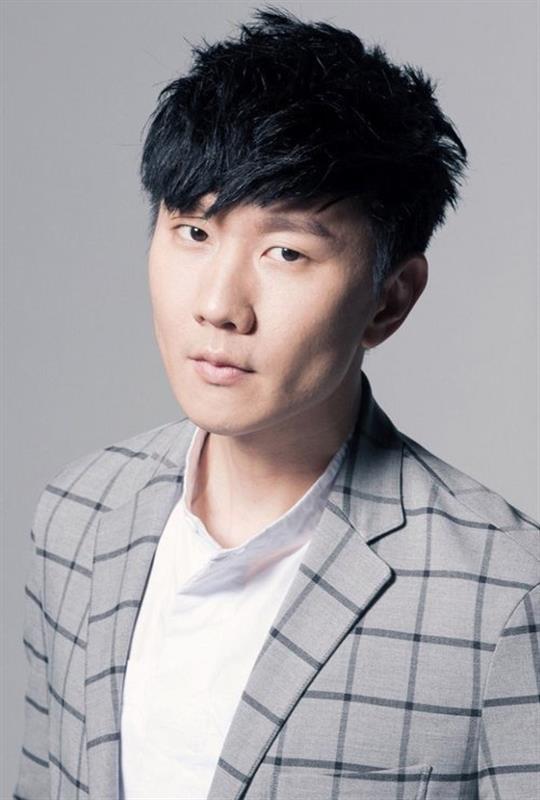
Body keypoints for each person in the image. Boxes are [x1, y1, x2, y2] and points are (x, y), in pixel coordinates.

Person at [14, 6, 539, 800]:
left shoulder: (505, 594)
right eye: (194, 233)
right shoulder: (77, 515)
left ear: (390, 298)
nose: (219, 306)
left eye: (286, 252)